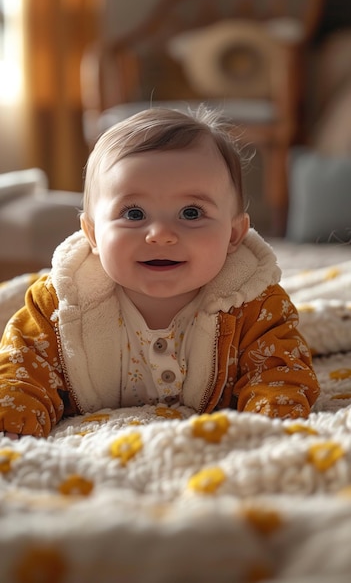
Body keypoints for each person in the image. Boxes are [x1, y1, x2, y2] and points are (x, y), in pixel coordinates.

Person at [0, 106, 319, 438]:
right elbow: (23, 370)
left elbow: (278, 371)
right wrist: (14, 422)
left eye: (192, 212)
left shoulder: (254, 303)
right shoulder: (62, 307)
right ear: (93, 234)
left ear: (234, 235)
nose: (161, 233)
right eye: (134, 213)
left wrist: (272, 420)